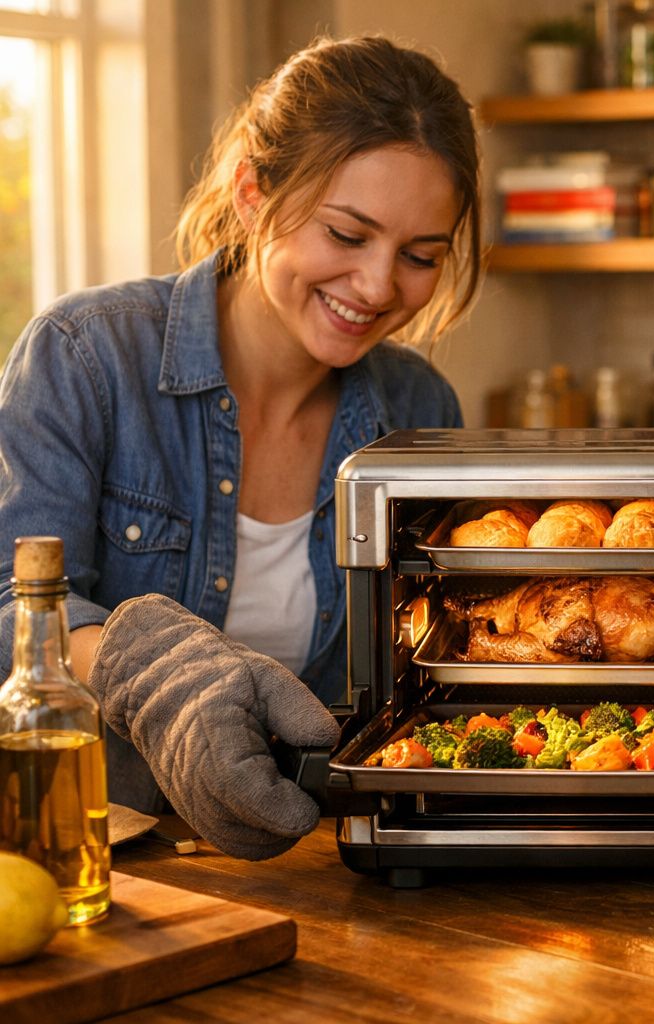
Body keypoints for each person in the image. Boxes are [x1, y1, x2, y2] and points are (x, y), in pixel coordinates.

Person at [0, 35, 482, 859]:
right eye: (346, 233)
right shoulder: (86, 356)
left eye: (419, 257)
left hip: (321, 871)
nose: (376, 287)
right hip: (93, 858)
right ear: (255, 192)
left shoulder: (418, 409)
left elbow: (434, 667)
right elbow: (12, 610)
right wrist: (155, 668)